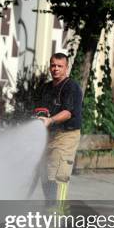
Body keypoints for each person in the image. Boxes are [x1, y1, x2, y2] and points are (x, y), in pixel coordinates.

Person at [34, 53, 83, 202]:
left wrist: (51, 120)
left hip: (66, 136)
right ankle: (51, 208)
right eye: (53, 65)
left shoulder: (71, 87)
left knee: (58, 176)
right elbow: (40, 109)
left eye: (59, 66)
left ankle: (58, 214)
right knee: (45, 174)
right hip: (48, 135)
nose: (55, 69)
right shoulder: (46, 87)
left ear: (66, 68)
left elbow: (68, 112)